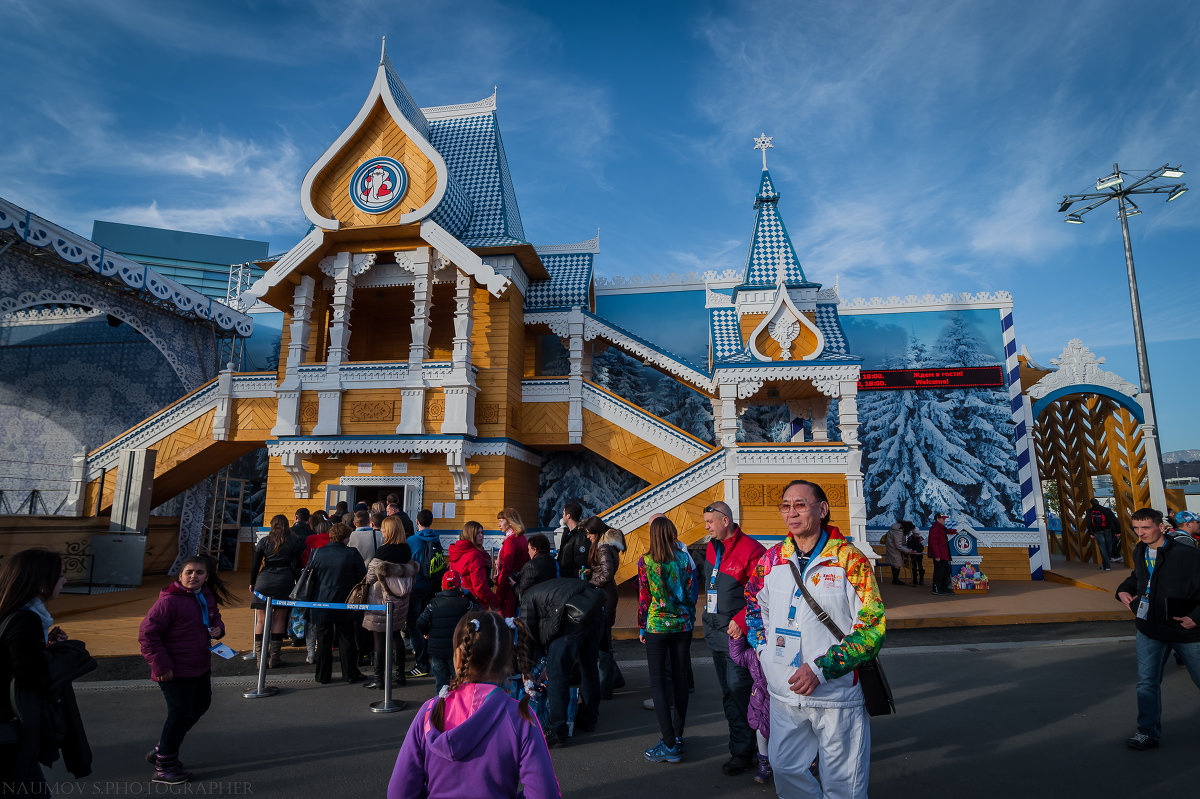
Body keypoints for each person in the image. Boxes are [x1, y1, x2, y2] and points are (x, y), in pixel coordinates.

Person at [744, 479, 886, 798]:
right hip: (785, 692)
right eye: (785, 505)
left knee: (843, 784)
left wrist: (822, 669)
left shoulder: (850, 560)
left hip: (835, 695)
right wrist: (766, 653)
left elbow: (872, 628)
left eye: (800, 504)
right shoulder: (772, 559)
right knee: (784, 768)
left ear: (821, 510)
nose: (791, 512)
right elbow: (753, 604)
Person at [389, 611, 560, 799]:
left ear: (458, 655)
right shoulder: (521, 717)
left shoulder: (429, 711)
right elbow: (545, 794)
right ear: (508, 660)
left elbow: (399, 792)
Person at [0, 549, 92, 793]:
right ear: (41, 583)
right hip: (8, 726)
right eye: (60, 575)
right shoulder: (26, 619)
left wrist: (45, 648)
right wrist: (62, 657)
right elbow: (30, 676)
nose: (65, 580)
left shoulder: (10, 611)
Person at [138, 555, 232, 784]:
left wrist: (218, 630)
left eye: (199, 573)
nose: (193, 576)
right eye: (189, 572)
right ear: (180, 575)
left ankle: (163, 747)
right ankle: (164, 765)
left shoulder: (206, 596)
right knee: (179, 714)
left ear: (207, 577)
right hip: (173, 669)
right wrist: (161, 665)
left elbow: (215, 620)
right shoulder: (169, 601)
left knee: (201, 704)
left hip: (199, 664)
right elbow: (147, 635)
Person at [1114, 507, 1200, 750]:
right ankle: (1147, 732)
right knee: (1146, 683)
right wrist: (1123, 588)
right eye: (1136, 529)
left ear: (1161, 527)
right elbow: (1139, 578)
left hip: (1185, 630)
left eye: (1146, 528)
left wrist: (1196, 618)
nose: (1141, 533)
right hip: (1149, 628)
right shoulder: (1140, 550)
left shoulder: (1186, 554)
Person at [699, 500, 766, 776]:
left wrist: (740, 621)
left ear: (725, 520)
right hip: (715, 632)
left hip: (737, 636)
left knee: (741, 693)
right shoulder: (712, 548)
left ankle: (750, 750)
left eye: (710, 522)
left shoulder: (752, 550)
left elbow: (762, 592)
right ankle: (741, 748)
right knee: (728, 693)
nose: (706, 528)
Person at [637, 516, 698, 763]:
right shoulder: (685, 560)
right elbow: (693, 594)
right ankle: (678, 736)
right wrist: (689, 618)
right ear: (672, 533)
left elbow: (644, 597)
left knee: (658, 682)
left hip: (657, 626)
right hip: (682, 625)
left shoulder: (646, 562)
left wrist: (642, 627)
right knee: (681, 679)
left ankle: (669, 741)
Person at [519, 577, 606, 747]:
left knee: (557, 673)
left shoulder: (528, 599)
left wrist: (525, 669)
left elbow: (526, 637)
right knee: (588, 667)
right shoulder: (547, 588)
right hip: (594, 609)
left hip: (571, 617)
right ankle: (589, 718)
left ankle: (557, 730)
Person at [307, 522, 368, 684]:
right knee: (346, 639)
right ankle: (350, 674)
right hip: (345, 601)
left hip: (321, 601)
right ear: (346, 537)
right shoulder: (352, 553)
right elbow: (362, 577)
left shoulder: (317, 553)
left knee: (323, 640)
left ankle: (322, 675)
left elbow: (310, 577)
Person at [362, 517, 418, 690]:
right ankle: (400, 675)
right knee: (395, 635)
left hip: (382, 599)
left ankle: (379, 678)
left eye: (384, 529)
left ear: (390, 530)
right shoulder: (406, 550)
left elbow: (371, 577)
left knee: (379, 636)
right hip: (401, 601)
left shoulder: (383, 552)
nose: (382, 531)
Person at [249, 514, 304, 667]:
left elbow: (255, 565)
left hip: (264, 579)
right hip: (284, 579)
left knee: (261, 620)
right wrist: (296, 582)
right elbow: (295, 566)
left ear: (272, 526)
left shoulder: (264, 541)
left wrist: (252, 583)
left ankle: (260, 659)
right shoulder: (293, 541)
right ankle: (274, 657)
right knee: (279, 619)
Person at [417, 571, 482, 694]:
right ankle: (459, 709)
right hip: (458, 650)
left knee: (441, 684)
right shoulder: (466, 604)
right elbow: (480, 611)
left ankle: (442, 708)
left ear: (442, 586)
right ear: (459, 586)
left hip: (437, 650)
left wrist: (426, 632)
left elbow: (420, 622)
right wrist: (467, 593)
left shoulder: (433, 603)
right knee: (461, 682)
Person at [584, 518, 626, 698]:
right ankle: (613, 679)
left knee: (603, 644)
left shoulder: (602, 548)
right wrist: (592, 572)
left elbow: (607, 573)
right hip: (607, 595)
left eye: (589, 533)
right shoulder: (608, 547)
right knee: (604, 642)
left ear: (598, 533)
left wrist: (590, 582)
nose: (588, 537)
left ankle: (605, 686)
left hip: (603, 596)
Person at [727, 620, 772, 784]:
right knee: (760, 732)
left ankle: (787, 764)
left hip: (776, 698)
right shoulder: (752, 655)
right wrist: (737, 638)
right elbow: (737, 656)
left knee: (781, 732)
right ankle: (764, 764)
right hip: (759, 699)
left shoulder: (778, 655)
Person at [407, 508, 443, 678]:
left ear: (417, 522)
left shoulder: (411, 540)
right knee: (430, 624)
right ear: (431, 522)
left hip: (417, 586)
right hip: (433, 586)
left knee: (414, 625)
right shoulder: (436, 539)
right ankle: (435, 660)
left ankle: (421, 663)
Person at [448, 521, 500, 610]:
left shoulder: (456, 552)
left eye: (482, 532)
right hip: (474, 602)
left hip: (458, 600)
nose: (481, 535)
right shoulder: (475, 555)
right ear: (470, 534)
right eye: (477, 533)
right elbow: (480, 587)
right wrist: (496, 602)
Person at [495, 508, 531, 618]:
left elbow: (507, 569)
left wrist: (499, 595)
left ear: (510, 522)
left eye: (501, 521)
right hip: (519, 584)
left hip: (509, 589)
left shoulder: (510, 541)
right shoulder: (521, 538)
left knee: (506, 622)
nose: (499, 524)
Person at [557, 501, 590, 580]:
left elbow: (581, 563)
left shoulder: (580, 536)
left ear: (568, 516)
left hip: (573, 581)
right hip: (566, 579)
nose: (562, 516)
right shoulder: (568, 534)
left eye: (563, 513)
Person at [1087, 498, 1120, 571]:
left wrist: (1091, 532)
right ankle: (1106, 565)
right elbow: (1115, 520)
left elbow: (1089, 523)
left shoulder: (1090, 511)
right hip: (1108, 530)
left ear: (1091, 504)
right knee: (1108, 547)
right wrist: (1118, 531)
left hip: (1097, 531)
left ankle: (1107, 566)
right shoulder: (1107, 510)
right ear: (1098, 502)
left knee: (1102, 549)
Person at [882, 520, 917, 586]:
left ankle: (895, 579)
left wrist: (906, 549)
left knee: (895, 563)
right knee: (897, 563)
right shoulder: (898, 531)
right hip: (893, 548)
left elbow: (901, 543)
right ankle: (895, 580)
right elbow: (898, 545)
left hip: (892, 546)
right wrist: (908, 551)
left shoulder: (898, 529)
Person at [928, 513, 953, 595]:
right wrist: (937, 555)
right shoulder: (935, 529)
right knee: (939, 573)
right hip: (939, 555)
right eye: (943, 519)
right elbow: (934, 543)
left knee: (946, 572)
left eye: (944, 519)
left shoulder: (941, 528)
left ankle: (943, 588)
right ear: (937, 519)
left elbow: (946, 531)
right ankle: (936, 589)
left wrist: (955, 531)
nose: (944, 520)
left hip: (944, 555)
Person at [905, 522, 925, 586]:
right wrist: (911, 549)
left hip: (919, 555)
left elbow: (922, 547)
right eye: (915, 533)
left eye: (917, 534)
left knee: (920, 567)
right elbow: (908, 545)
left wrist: (917, 550)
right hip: (912, 555)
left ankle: (921, 580)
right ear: (913, 533)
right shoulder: (910, 539)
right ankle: (914, 580)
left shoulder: (921, 539)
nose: (916, 535)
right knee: (913, 567)